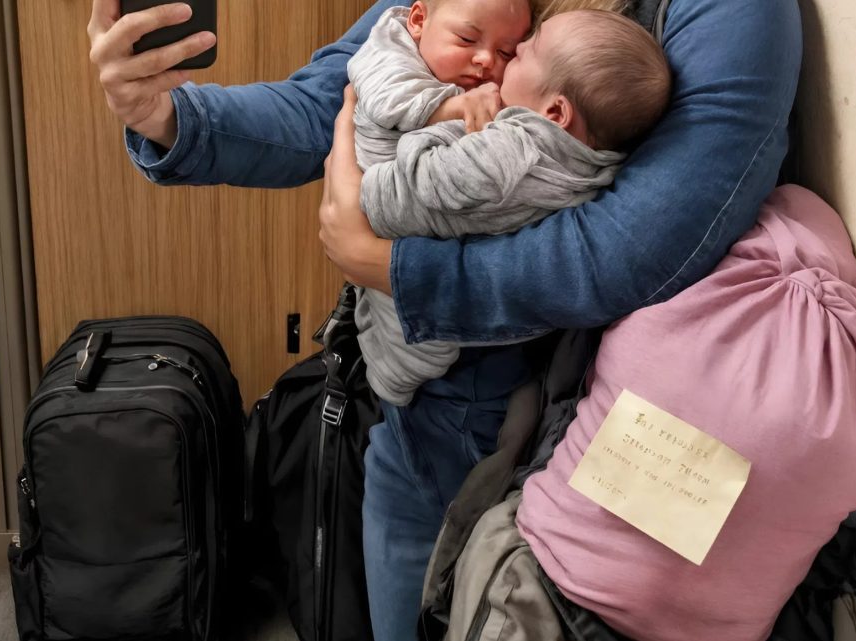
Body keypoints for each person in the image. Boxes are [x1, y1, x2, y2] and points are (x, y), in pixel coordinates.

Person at [86, 1, 802, 639]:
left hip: (590, 416)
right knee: (411, 569)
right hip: (430, 391)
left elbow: (634, 249)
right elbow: (342, 96)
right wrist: (169, 115)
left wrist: (391, 265)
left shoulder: (733, 15)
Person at [349, 6, 670, 407]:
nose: (501, 59)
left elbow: (402, 191)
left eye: (518, 52)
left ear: (555, 112)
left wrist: (436, 122)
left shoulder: (513, 149)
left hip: (426, 347)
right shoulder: (593, 165)